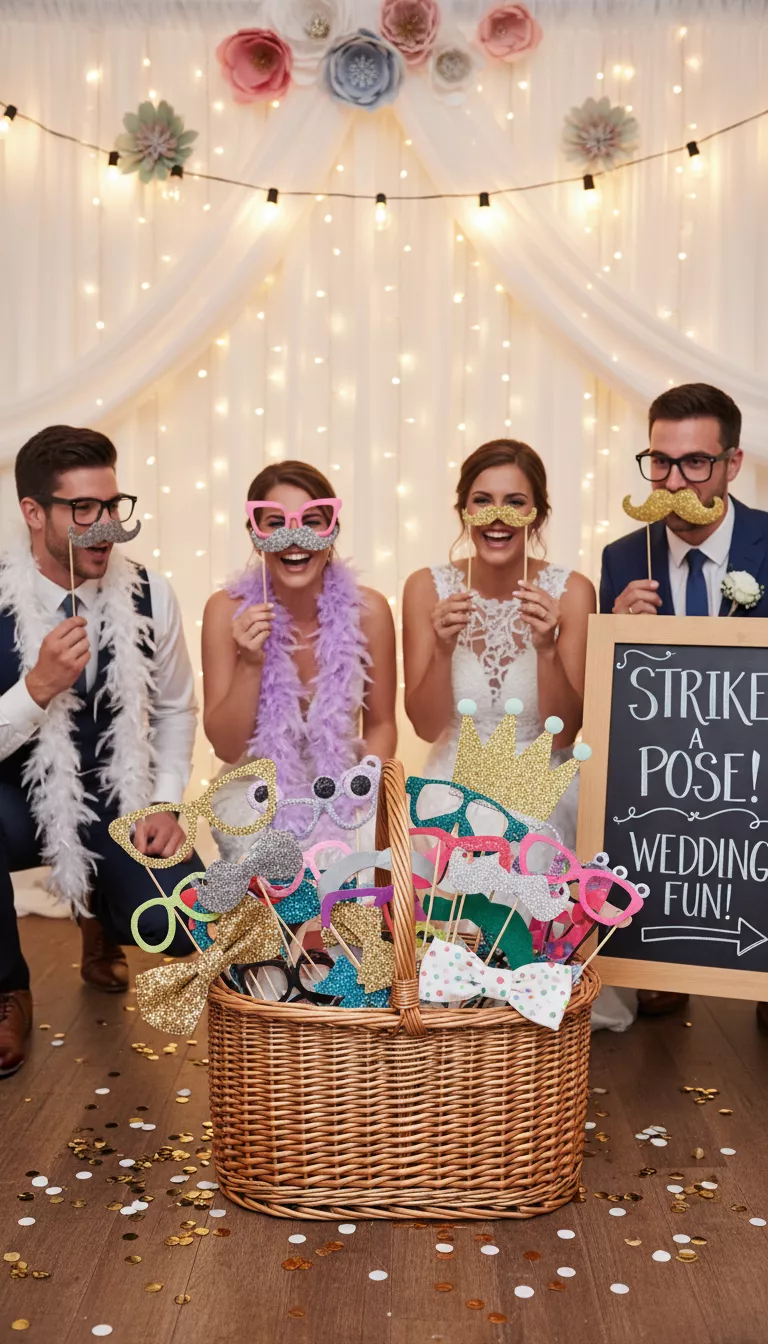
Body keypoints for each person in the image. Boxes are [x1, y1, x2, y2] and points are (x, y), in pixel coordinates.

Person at [402, 438, 633, 1032]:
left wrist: (550, 647)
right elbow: (426, 724)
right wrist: (443, 646)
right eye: (483, 501)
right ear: (463, 511)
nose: (498, 518)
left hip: (540, 778)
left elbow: (565, 734)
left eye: (515, 503)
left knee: (526, 840)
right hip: (452, 775)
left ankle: (520, 1000)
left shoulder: (572, 590)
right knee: (447, 848)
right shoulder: (426, 588)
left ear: (538, 513)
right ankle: (453, 1000)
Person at [0, 426, 201, 1077]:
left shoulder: (152, 594)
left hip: (117, 794)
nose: (105, 525)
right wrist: (36, 689)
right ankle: (8, 989)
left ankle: (102, 919)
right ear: (34, 512)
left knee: (182, 923)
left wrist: (168, 803)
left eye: (112, 506)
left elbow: (175, 709)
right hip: (14, 801)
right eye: (83, 510)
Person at [600, 382, 768, 1023]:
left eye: (695, 463)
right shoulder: (624, 557)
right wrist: (615, 627)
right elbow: (616, 701)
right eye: (660, 462)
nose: (673, 482)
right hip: (670, 768)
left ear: (732, 464)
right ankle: (660, 963)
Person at [202, 461, 397, 849]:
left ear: (332, 531)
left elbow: (381, 725)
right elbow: (225, 747)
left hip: (345, 777)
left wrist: (359, 793)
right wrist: (250, 664)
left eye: (311, 522)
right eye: (276, 523)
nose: (295, 538)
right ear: (256, 536)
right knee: (271, 859)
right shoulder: (225, 611)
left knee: (365, 857)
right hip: (255, 787)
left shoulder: (369, 610)